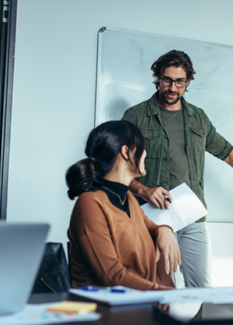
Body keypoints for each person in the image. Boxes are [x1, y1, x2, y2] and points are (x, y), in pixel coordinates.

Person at [122, 50, 233, 288]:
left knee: (202, 290)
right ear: (158, 78)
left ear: (188, 81)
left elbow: (227, 153)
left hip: (192, 216)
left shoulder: (197, 118)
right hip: (152, 217)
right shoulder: (136, 116)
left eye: (180, 81)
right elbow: (117, 168)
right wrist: (144, 190)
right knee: (160, 292)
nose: (172, 87)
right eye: (167, 80)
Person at [66, 120, 180, 291]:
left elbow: (152, 228)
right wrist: (165, 294)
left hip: (140, 306)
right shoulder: (90, 203)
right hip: (104, 311)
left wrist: (165, 230)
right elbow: (112, 276)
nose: (145, 154)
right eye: (142, 147)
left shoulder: (127, 197)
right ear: (126, 152)